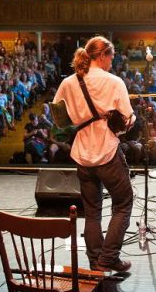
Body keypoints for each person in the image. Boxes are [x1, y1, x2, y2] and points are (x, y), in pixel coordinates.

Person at [53, 36, 135, 273]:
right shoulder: (114, 82)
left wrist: (82, 117)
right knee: (123, 203)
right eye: (111, 56)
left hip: (82, 154)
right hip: (106, 152)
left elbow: (59, 119)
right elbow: (128, 121)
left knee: (92, 211)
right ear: (101, 56)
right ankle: (109, 258)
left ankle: (95, 260)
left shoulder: (69, 82)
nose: (113, 61)